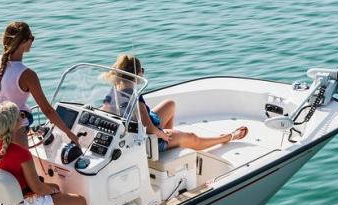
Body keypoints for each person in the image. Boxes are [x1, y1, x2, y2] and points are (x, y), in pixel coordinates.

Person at [103, 54, 248, 151]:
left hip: (135, 130)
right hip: (147, 139)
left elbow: (106, 112)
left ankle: (172, 144)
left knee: (170, 104)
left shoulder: (113, 91)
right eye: (142, 71)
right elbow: (148, 127)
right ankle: (227, 137)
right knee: (192, 137)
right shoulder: (134, 96)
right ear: (137, 73)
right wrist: (163, 135)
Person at [0, 21, 79, 145]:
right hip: (14, 130)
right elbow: (47, 110)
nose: (32, 41)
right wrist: (69, 133)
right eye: (32, 38)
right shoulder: (27, 75)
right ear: (24, 41)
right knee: (21, 158)